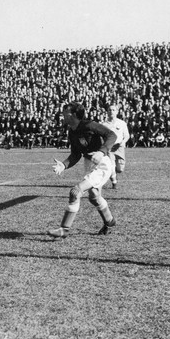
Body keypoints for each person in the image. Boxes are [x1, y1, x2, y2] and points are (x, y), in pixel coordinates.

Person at [49, 101, 118, 238]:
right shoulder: (72, 131)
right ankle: (109, 221)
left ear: (74, 114)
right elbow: (76, 154)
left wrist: (101, 151)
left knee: (75, 192)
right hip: (89, 164)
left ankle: (64, 229)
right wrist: (64, 165)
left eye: (66, 111)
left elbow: (112, 135)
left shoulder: (89, 125)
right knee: (94, 197)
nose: (62, 113)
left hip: (101, 164)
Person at [102, 104, 130, 189]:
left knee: (120, 169)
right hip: (109, 148)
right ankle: (114, 182)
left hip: (120, 147)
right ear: (107, 112)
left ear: (117, 112)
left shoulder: (122, 123)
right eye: (110, 110)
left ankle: (114, 174)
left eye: (113, 110)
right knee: (111, 166)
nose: (111, 112)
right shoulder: (104, 125)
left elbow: (127, 135)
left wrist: (123, 142)